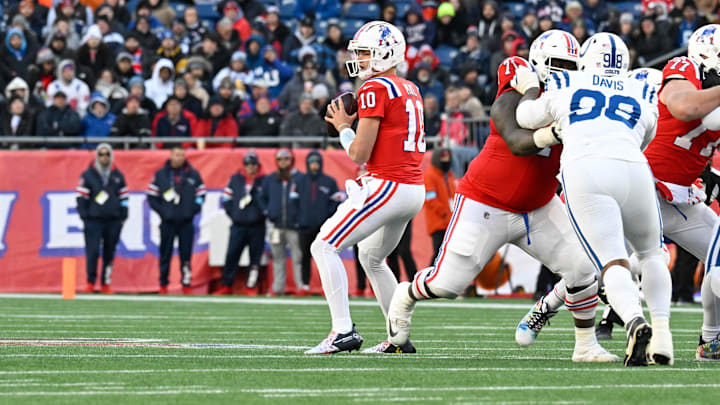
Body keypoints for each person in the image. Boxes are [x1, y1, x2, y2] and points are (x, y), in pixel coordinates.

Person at [384, 31, 616, 363]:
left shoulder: (578, 97)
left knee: (583, 269)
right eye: (557, 64)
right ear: (536, 64)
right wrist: (554, 126)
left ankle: (585, 345)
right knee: (447, 285)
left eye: (570, 65)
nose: (564, 72)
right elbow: (517, 140)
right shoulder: (518, 81)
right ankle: (405, 295)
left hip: (539, 207)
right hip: (485, 202)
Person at [537, 26, 720, 362]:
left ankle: (710, 341)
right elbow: (684, 107)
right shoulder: (684, 69)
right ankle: (550, 304)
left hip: (680, 197)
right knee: (611, 262)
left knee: (709, 261)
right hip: (644, 182)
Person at [512, 33, 666, 366]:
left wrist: (530, 91)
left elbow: (525, 118)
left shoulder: (570, 83)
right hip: (631, 171)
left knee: (609, 262)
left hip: (591, 171)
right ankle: (657, 333)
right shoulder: (640, 88)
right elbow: (647, 136)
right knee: (628, 258)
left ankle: (627, 320)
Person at [306, 21, 426, 355]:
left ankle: (342, 331)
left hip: (388, 184)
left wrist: (344, 127)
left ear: (385, 53)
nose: (358, 58)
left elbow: (359, 152)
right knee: (372, 258)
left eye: (364, 52)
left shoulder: (375, 88)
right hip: (411, 188)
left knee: (324, 245)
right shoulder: (410, 88)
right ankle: (398, 338)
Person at [146, 145, 205, 295]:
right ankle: (163, 284)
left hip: (186, 221)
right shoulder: (161, 174)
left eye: (182, 155)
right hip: (168, 221)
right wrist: (163, 212)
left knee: (186, 254)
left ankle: (186, 283)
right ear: (171, 155)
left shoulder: (193, 174)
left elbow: (201, 195)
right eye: (177, 155)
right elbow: (152, 196)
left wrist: (191, 210)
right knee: (165, 253)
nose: (179, 158)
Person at [75, 143, 128, 294]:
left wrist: (123, 215)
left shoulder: (118, 175)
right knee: (92, 251)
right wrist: (85, 216)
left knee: (109, 252)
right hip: (94, 220)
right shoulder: (88, 175)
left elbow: (124, 197)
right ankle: (90, 282)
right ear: (97, 156)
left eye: (107, 154)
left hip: (113, 220)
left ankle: (106, 283)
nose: (104, 157)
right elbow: (81, 198)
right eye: (101, 154)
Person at [215, 151, 266, 295]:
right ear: (244, 166)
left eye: (253, 164)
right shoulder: (236, 179)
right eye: (248, 164)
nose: (250, 167)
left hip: (257, 225)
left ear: (257, 165)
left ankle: (251, 285)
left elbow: (268, 200)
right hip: (238, 225)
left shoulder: (264, 180)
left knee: (255, 257)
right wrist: (235, 215)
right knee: (232, 255)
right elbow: (226, 199)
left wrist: (261, 214)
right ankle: (226, 284)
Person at [297, 151, 343, 296]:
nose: (314, 165)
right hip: (304, 226)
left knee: (325, 258)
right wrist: (298, 219)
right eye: (312, 162)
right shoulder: (300, 181)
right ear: (307, 164)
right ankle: (305, 285)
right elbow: (293, 203)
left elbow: (335, 203)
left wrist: (326, 218)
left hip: (323, 228)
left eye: (317, 162)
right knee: (304, 256)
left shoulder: (329, 182)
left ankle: (327, 287)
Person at [259, 149, 304, 296]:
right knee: (278, 258)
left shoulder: (299, 178)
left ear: (292, 160)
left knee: (298, 257)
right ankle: (278, 288)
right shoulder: (271, 179)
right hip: (276, 225)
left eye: (286, 158)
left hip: (294, 226)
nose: (283, 161)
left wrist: (300, 217)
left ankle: (301, 287)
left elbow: (306, 200)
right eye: (280, 159)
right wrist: (268, 211)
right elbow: (261, 197)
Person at [423, 148, 455, 263]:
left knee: (447, 255)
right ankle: (428, 279)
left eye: (447, 158)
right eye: (443, 158)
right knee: (438, 254)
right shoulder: (429, 175)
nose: (445, 161)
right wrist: (444, 213)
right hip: (438, 222)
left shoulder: (449, 175)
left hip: (449, 222)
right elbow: (430, 199)